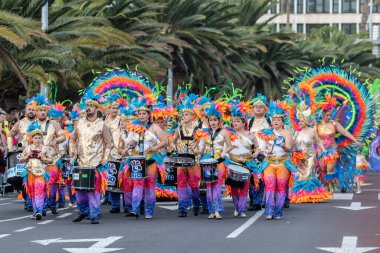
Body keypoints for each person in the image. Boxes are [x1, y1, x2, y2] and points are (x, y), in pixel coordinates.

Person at [69, 97, 113, 224]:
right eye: (87, 105)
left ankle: (94, 214)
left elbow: (108, 143)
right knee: (79, 190)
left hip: (96, 163)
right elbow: (72, 139)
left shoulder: (101, 124)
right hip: (81, 161)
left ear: (96, 109)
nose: (88, 107)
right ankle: (83, 212)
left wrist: (105, 158)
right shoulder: (80, 123)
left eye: (91, 105)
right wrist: (72, 152)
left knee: (94, 190)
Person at [124, 97, 168, 219]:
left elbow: (165, 141)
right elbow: (128, 142)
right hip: (137, 159)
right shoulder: (132, 127)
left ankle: (149, 211)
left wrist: (156, 148)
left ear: (149, 115)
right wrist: (130, 143)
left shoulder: (154, 127)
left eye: (144, 113)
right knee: (137, 184)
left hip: (151, 160)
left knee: (149, 185)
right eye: (140, 113)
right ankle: (134, 209)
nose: (142, 115)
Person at [257, 101, 296, 220]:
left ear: (282, 122)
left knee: (281, 187)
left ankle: (278, 211)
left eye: (278, 120)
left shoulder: (287, 133)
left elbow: (289, 148)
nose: (276, 122)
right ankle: (269, 211)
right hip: (269, 162)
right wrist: (265, 151)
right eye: (274, 120)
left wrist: (283, 145)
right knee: (269, 186)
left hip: (283, 163)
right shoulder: (266, 133)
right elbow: (262, 148)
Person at [317, 95, 363, 192]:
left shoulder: (334, 124)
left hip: (332, 149)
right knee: (322, 170)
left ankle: (329, 189)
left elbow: (345, 133)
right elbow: (314, 138)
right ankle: (325, 188)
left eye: (330, 115)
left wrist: (356, 141)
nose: (329, 117)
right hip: (321, 150)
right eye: (327, 115)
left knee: (330, 170)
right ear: (322, 115)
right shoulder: (317, 125)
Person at [288, 102, 332, 203]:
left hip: (310, 156)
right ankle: (301, 195)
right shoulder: (297, 132)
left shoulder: (312, 131)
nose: (300, 123)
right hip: (299, 158)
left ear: (307, 121)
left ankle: (309, 195)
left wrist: (324, 151)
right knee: (300, 175)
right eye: (299, 121)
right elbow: (292, 144)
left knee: (308, 174)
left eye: (302, 121)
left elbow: (318, 142)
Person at [197, 103, 232, 220]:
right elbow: (201, 148)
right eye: (210, 120)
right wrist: (198, 152)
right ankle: (211, 210)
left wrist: (224, 152)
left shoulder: (224, 132)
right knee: (209, 186)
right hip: (207, 161)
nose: (212, 122)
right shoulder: (204, 133)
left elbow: (230, 145)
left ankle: (217, 210)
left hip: (219, 160)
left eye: (215, 120)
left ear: (219, 121)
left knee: (217, 185)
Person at [34, 96, 66, 215]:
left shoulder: (54, 123)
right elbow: (27, 140)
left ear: (47, 111)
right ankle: (41, 208)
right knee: (39, 185)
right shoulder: (32, 125)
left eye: (44, 110)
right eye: (40, 110)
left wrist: (56, 141)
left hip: (52, 159)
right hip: (37, 160)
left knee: (52, 185)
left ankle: (52, 203)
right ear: (36, 112)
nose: (42, 112)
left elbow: (63, 137)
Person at [169, 98, 201, 217]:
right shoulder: (179, 128)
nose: (184, 116)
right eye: (183, 114)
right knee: (181, 184)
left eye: (187, 114)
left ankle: (197, 204)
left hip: (193, 159)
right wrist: (172, 145)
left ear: (192, 116)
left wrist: (199, 149)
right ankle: (182, 208)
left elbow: (202, 142)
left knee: (194, 185)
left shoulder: (198, 128)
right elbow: (173, 139)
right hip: (181, 159)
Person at [228, 105, 259, 218]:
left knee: (244, 187)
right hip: (233, 163)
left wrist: (256, 152)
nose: (235, 123)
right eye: (233, 121)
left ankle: (241, 209)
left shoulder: (250, 135)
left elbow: (257, 147)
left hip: (247, 163)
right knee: (234, 187)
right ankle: (237, 207)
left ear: (243, 122)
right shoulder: (229, 134)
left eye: (237, 121)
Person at [19, 122, 51, 220]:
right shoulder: (27, 148)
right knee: (32, 192)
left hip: (41, 174)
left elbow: (51, 160)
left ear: (42, 139)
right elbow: (21, 159)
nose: (37, 140)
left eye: (39, 138)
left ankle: (39, 211)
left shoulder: (45, 148)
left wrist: (43, 158)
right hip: (30, 173)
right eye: (35, 138)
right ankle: (35, 211)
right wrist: (27, 156)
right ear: (32, 139)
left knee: (39, 191)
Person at [248, 94, 270, 211]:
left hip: (266, 153)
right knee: (252, 177)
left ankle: (258, 201)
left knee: (261, 178)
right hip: (251, 153)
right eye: (255, 106)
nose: (258, 108)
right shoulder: (248, 122)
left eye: (260, 106)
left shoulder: (269, 121)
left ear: (265, 109)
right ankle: (253, 200)